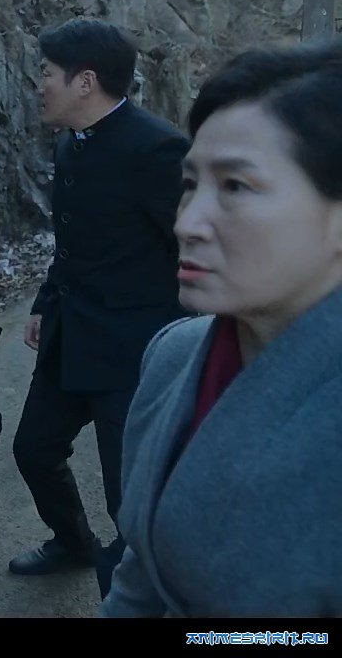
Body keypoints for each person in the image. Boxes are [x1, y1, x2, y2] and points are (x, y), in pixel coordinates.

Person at [102, 39, 342, 617]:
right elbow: (140, 571)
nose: (187, 223)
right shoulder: (174, 355)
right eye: (190, 185)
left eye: (235, 186)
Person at [10, 19, 189, 593]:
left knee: (127, 495)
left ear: (84, 81)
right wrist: (44, 302)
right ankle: (73, 543)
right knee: (34, 450)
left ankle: (131, 595)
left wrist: (190, 344)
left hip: (132, 351)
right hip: (71, 336)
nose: (39, 85)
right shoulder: (71, 142)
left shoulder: (156, 149)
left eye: (46, 73)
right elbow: (71, 241)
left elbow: (194, 250)